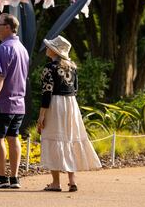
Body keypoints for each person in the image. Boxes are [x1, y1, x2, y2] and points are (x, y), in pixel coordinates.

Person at [37, 35, 101, 192]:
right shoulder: (72, 67)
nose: (47, 48)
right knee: (70, 139)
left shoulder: (49, 68)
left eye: (49, 47)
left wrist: (41, 115)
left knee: (53, 139)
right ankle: (72, 181)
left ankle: (56, 183)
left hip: (55, 105)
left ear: (54, 51)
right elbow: (76, 90)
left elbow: (47, 93)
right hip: (71, 104)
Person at [0, 13, 29, 189]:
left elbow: (0, 76)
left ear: (7, 27)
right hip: (19, 104)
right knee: (13, 137)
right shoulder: (22, 49)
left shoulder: (3, 48)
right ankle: (14, 178)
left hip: (3, 103)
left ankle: (1, 177)